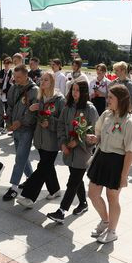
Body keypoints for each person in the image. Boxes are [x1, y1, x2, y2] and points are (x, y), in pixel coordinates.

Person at [85, 84, 132, 244]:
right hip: (101, 157)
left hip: (117, 161)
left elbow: (129, 152)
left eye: (110, 98)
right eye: (107, 97)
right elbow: (99, 133)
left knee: (112, 197)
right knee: (93, 193)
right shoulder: (107, 115)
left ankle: (112, 231)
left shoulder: (130, 123)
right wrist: (96, 138)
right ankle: (105, 221)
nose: (107, 100)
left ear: (120, 100)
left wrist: (124, 176)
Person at [46, 80, 99, 223]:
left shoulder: (90, 109)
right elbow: (61, 125)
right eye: (73, 90)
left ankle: (62, 211)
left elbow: (94, 132)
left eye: (77, 90)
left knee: (72, 181)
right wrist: (63, 143)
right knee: (76, 179)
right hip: (68, 151)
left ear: (84, 92)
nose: (74, 93)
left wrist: (79, 140)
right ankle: (83, 203)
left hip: (82, 153)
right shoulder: (68, 107)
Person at [17, 71, 65, 208]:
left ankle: (28, 196)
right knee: (47, 166)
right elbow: (31, 120)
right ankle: (55, 189)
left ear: (52, 83)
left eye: (46, 80)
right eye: (41, 80)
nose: (42, 82)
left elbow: (63, 122)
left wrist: (50, 123)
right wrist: (31, 110)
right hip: (40, 140)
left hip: (52, 142)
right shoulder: (40, 99)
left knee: (42, 167)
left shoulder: (59, 100)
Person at [2, 65, 39, 202]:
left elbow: (32, 112)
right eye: (14, 77)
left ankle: (13, 188)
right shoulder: (13, 88)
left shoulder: (34, 90)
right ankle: (32, 179)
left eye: (18, 77)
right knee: (22, 157)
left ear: (26, 75)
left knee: (20, 158)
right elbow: (10, 106)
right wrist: (9, 122)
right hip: (15, 128)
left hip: (27, 129)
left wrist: (21, 122)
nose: (15, 79)